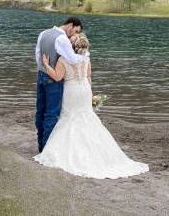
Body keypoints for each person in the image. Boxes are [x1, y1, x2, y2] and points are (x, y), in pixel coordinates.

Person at [34, 33, 149, 179]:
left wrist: (45, 64)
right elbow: (88, 77)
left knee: (69, 119)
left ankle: (70, 151)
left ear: (72, 47)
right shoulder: (86, 59)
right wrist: (90, 93)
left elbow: (57, 77)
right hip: (85, 90)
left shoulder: (63, 59)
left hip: (72, 91)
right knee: (87, 118)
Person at [35, 17, 87, 152]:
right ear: (70, 25)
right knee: (51, 113)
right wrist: (85, 55)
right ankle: (46, 149)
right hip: (53, 79)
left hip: (40, 75)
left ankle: (40, 144)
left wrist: (43, 67)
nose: (74, 34)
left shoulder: (43, 33)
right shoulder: (62, 38)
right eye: (75, 30)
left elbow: (38, 55)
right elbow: (72, 59)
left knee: (40, 110)